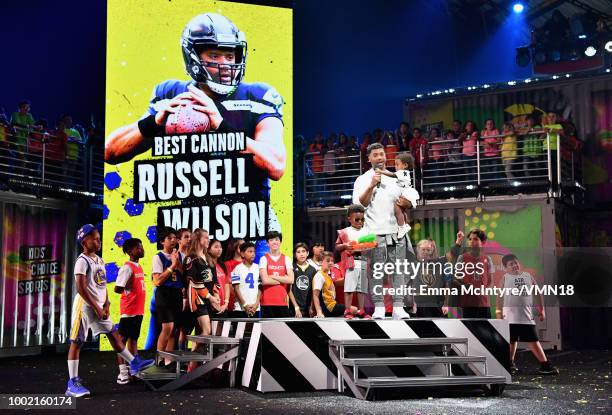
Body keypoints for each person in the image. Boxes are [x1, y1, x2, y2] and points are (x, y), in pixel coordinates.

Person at [104, 13, 286, 237]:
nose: (226, 64)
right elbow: (110, 152)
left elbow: (276, 165)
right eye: (215, 55)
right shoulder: (173, 94)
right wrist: (155, 122)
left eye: (230, 56)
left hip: (249, 225)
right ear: (193, 56)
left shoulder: (257, 96)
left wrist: (221, 127)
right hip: (195, 226)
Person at [66, 225, 153, 397]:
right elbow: (81, 288)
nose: (99, 241)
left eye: (99, 238)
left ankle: (133, 363)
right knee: (77, 341)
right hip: (84, 306)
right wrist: (97, 307)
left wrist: (106, 304)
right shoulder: (82, 260)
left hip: (98, 305)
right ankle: (72, 383)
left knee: (113, 334)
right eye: (95, 239)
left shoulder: (99, 260)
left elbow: (102, 285)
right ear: (84, 241)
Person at [353, 142, 415, 320]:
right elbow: (360, 205)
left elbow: (409, 200)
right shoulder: (362, 180)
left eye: (382, 154)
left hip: (397, 231)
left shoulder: (397, 176)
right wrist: (372, 185)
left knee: (399, 270)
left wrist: (408, 203)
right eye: (375, 155)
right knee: (376, 271)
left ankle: (398, 306)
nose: (380, 157)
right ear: (369, 158)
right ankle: (379, 307)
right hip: (372, 231)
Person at [496, 254, 559, 375]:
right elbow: (499, 296)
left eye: (515, 262)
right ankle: (510, 364)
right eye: (511, 264)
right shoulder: (505, 277)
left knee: (533, 340)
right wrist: (498, 312)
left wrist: (542, 310)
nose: (514, 265)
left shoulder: (528, 276)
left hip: (526, 316)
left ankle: (544, 365)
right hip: (509, 317)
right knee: (511, 341)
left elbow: (537, 293)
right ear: (506, 268)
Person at [183, 229, 221, 371]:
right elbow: (195, 281)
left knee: (200, 333)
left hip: (209, 299)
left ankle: (192, 368)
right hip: (198, 299)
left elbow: (215, 280)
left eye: (208, 237)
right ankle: (192, 366)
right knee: (206, 330)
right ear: (198, 239)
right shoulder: (191, 258)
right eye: (205, 238)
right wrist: (210, 297)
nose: (208, 240)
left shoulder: (208, 258)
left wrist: (216, 295)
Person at [114, 238, 147, 385]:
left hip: (138, 310)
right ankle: (122, 373)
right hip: (129, 310)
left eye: (141, 247)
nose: (141, 250)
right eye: (138, 248)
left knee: (133, 340)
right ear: (130, 251)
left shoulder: (138, 266)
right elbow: (117, 288)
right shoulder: (127, 268)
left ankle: (135, 370)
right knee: (121, 342)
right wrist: (127, 289)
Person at [151, 227, 182, 367]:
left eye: (175, 237)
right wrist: (172, 266)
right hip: (164, 293)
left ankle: (168, 360)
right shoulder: (158, 257)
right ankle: (159, 357)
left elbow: (184, 275)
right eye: (169, 238)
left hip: (177, 294)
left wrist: (178, 263)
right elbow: (157, 281)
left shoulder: (179, 255)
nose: (173, 240)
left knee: (174, 329)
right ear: (162, 241)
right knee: (167, 327)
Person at [335, 205, 371, 319]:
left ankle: (361, 310)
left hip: (364, 262)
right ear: (349, 218)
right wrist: (345, 245)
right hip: (351, 262)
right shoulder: (345, 232)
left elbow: (371, 246)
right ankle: (348, 310)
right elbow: (337, 247)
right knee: (349, 287)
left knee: (362, 288)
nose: (360, 222)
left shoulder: (367, 232)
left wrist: (365, 247)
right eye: (357, 219)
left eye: (362, 219)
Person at [377, 151, 420, 241]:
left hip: (405, 192)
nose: (395, 166)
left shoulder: (402, 172)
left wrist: (381, 172)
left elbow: (392, 175)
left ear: (405, 165)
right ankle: (404, 224)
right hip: (403, 191)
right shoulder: (403, 173)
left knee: (397, 208)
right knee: (400, 210)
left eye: (397, 164)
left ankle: (402, 226)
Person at [453, 229, 493, 318]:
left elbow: (490, 281)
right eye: (470, 239)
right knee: (469, 330)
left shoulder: (488, 259)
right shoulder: (462, 258)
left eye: (475, 239)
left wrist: (483, 291)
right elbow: (456, 279)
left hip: (484, 304)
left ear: (483, 242)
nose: (472, 242)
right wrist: (464, 286)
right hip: (468, 303)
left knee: (485, 330)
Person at [312, 251, 360, 318]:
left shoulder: (328, 275)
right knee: (354, 310)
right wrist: (319, 312)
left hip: (333, 305)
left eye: (332, 261)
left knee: (352, 312)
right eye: (328, 261)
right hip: (329, 308)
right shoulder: (319, 276)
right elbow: (315, 295)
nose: (331, 263)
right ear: (320, 263)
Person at [259, 231, 294, 318]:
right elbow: (265, 280)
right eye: (271, 240)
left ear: (280, 242)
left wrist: (272, 276)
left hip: (282, 301)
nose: (274, 242)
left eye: (277, 239)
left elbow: (291, 280)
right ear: (267, 243)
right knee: (268, 330)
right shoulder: (263, 259)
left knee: (283, 330)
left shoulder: (287, 259)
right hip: (267, 302)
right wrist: (283, 280)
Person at [413, 239, 450, 318]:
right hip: (419, 305)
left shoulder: (440, 264)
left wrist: (446, 304)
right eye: (423, 249)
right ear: (418, 250)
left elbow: (447, 285)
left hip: (437, 304)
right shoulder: (413, 265)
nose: (425, 252)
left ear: (432, 251)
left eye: (428, 250)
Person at [231, 242, 262, 318]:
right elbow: (236, 289)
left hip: (255, 308)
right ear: (242, 254)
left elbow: (260, 287)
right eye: (250, 251)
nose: (253, 254)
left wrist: (256, 304)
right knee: (240, 330)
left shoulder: (258, 268)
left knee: (255, 330)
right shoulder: (237, 269)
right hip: (240, 308)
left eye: (254, 251)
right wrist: (244, 305)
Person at [289, 243, 317, 318]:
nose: (301, 254)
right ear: (295, 255)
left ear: (307, 253)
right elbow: (289, 289)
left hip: (308, 309)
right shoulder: (291, 268)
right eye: (298, 252)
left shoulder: (313, 270)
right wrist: (296, 307)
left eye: (303, 251)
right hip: (294, 308)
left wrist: (311, 306)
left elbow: (314, 290)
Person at [176, 228, 193, 350]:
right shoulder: (175, 256)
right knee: (180, 329)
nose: (189, 239)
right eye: (186, 237)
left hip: (192, 295)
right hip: (181, 295)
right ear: (179, 240)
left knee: (187, 328)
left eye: (190, 237)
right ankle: (179, 358)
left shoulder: (192, 256)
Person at [208, 239, 230, 317]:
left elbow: (226, 284)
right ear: (209, 249)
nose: (219, 249)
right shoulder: (206, 266)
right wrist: (214, 303)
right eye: (216, 247)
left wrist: (226, 303)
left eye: (220, 247)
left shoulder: (222, 265)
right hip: (212, 305)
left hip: (223, 306)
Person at [223, 238, 244, 313]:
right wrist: (241, 299)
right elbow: (229, 285)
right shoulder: (227, 264)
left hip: (249, 302)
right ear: (235, 247)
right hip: (235, 303)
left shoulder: (249, 264)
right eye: (242, 245)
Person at [521, 114, 545, 179]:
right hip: (527, 151)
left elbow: (541, 130)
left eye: (531, 120)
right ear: (526, 121)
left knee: (537, 168)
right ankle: (530, 181)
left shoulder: (537, 126)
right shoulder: (523, 128)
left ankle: (538, 181)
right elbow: (521, 132)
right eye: (528, 120)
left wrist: (530, 129)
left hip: (536, 150)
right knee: (526, 168)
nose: (530, 122)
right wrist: (527, 130)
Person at [481, 119, 501, 184]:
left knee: (495, 170)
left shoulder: (496, 131)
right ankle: (489, 185)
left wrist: (491, 143)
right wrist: (485, 143)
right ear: (485, 125)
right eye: (488, 124)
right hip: (486, 154)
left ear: (493, 125)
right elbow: (481, 141)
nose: (489, 125)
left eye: (491, 123)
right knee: (487, 170)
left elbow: (499, 140)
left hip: (494, 153)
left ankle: (496, 185)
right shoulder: (483, 131)